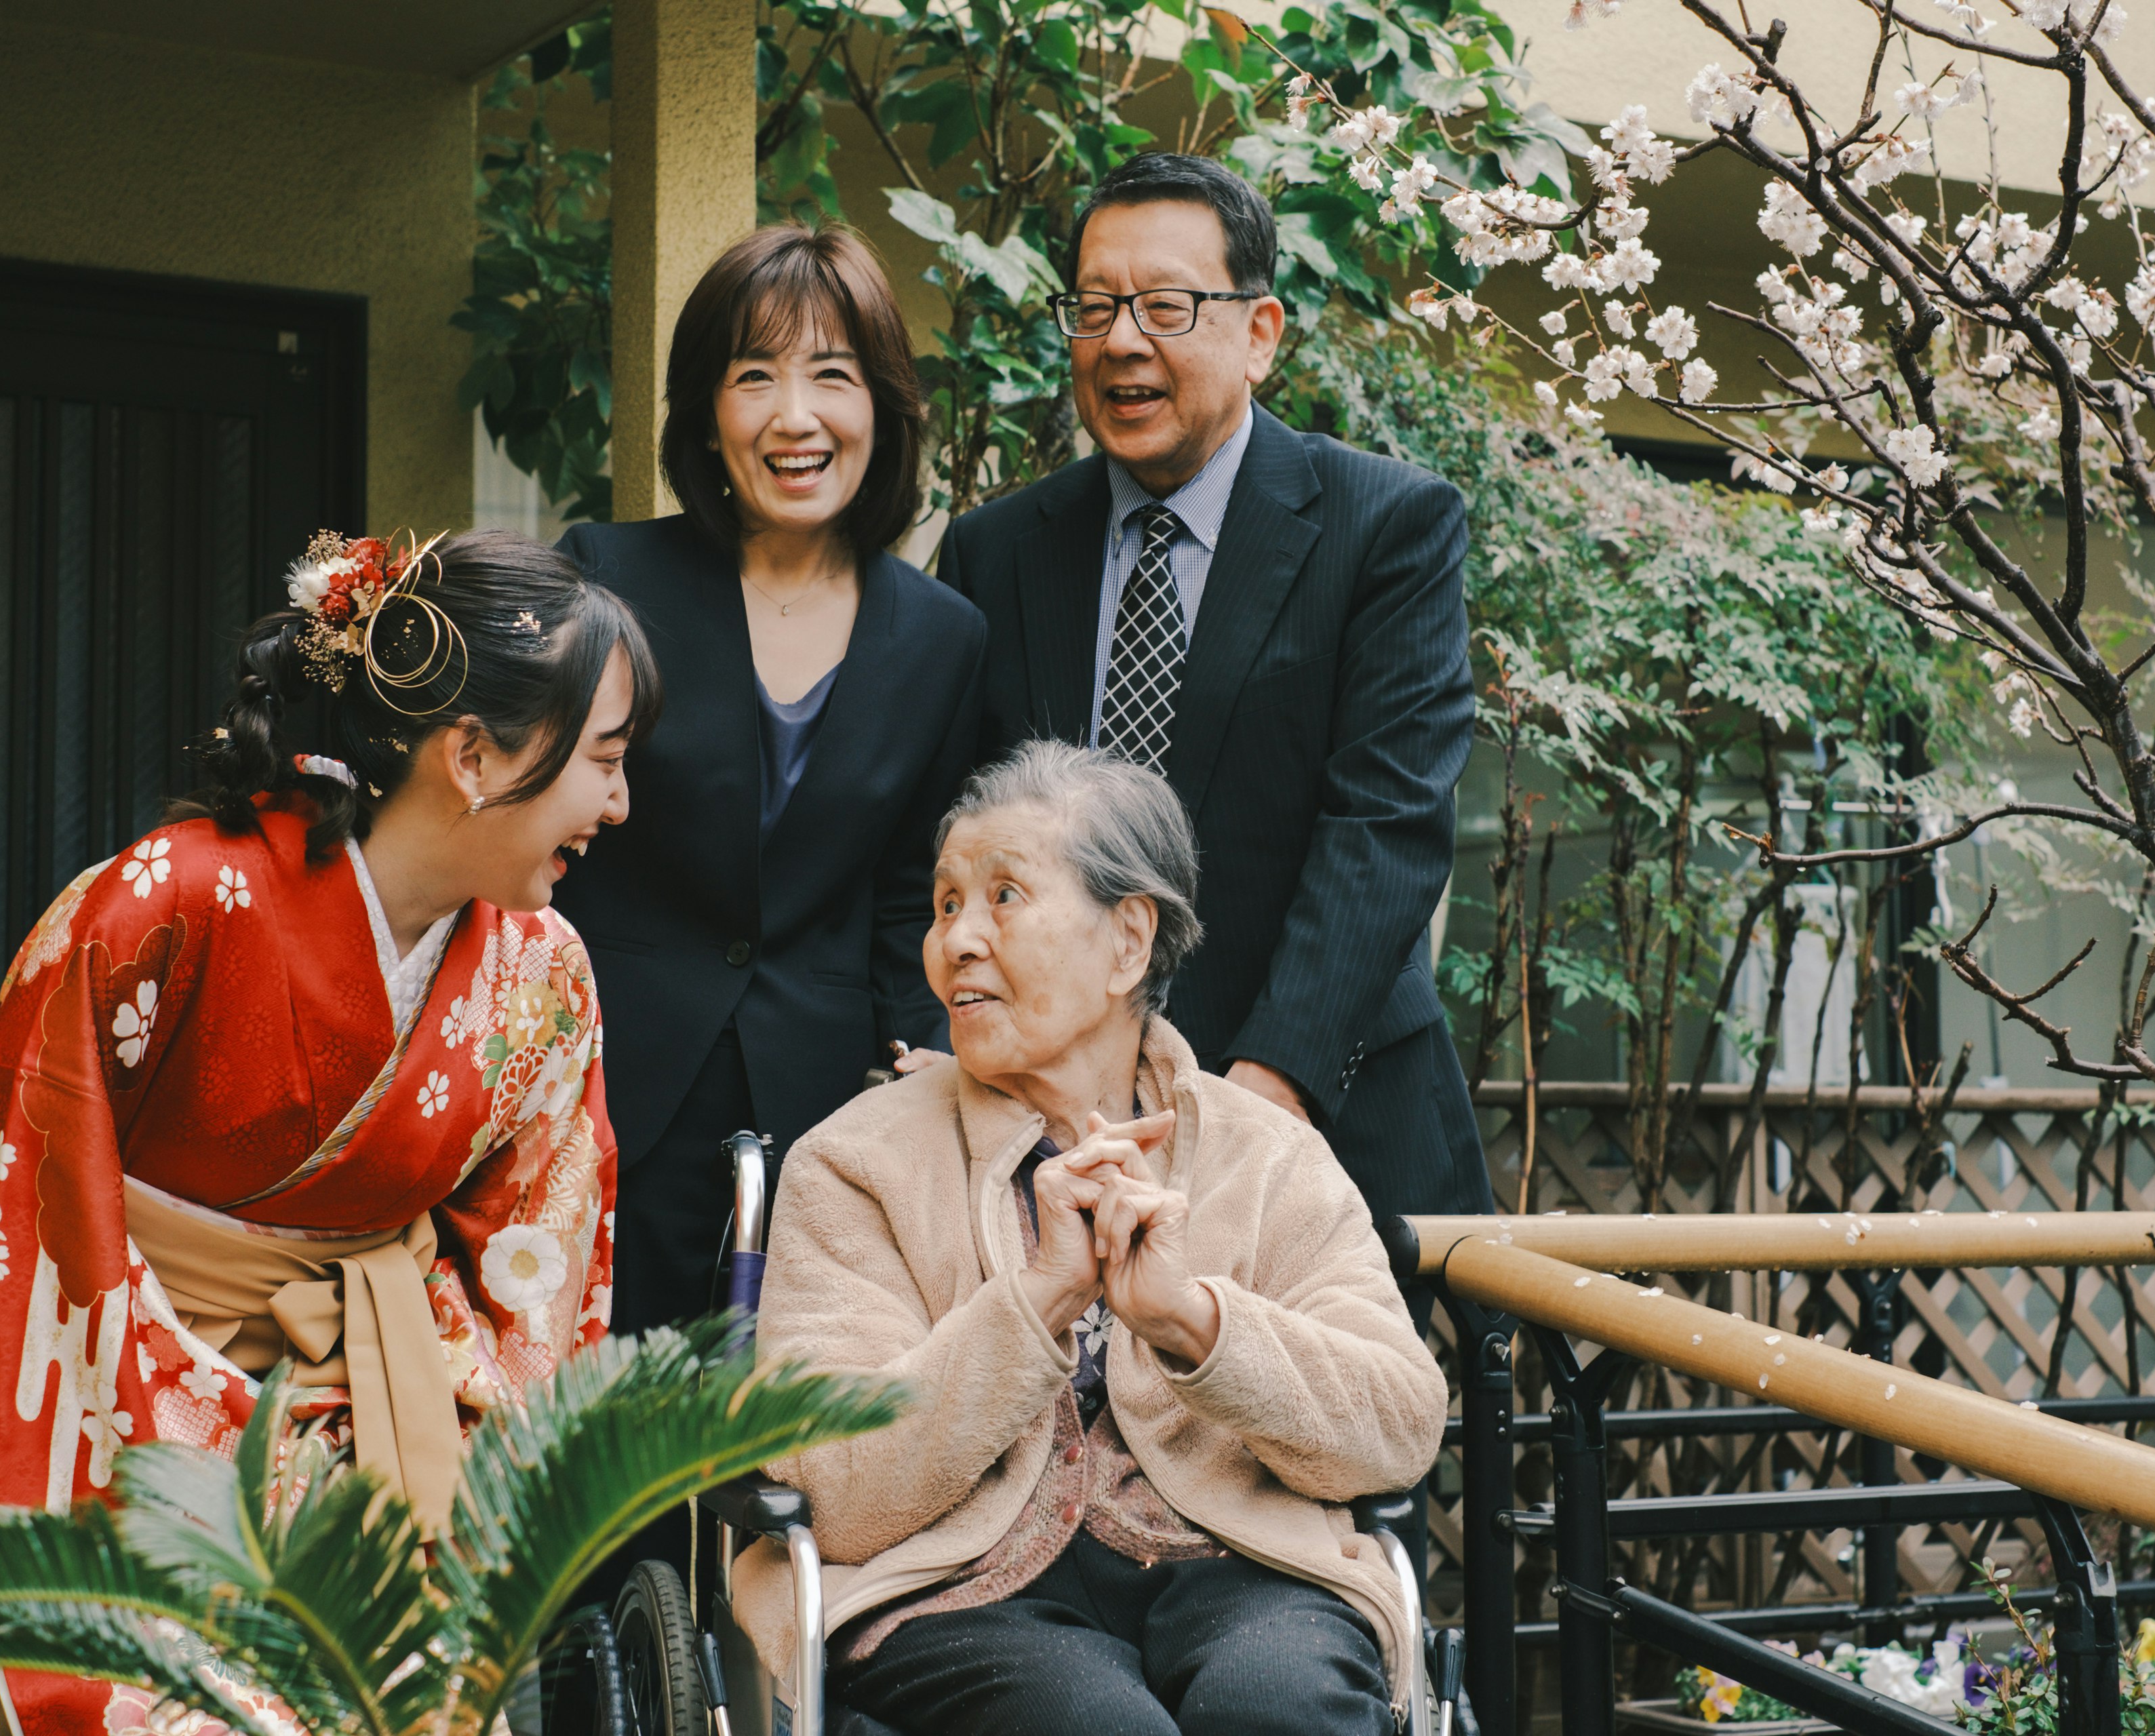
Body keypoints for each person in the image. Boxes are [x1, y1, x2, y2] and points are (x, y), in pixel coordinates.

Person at [0, 528, 654, 1736]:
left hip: (371, 1421)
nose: (622, 804)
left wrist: (449, 1419)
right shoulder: (169, 899)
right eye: (604, 760)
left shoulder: (548, 974)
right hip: (115, 1401)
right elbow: (16, 1174)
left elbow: (541, 1245)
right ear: (475, 755)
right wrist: (192, 1402)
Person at [738, 742, 1447, 1736]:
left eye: (1005, 896)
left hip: (1241, 1564)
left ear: (1126, 942)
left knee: (1282, 1708)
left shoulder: (1269, 1155)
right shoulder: (857, 1163)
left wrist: (1192, 1322)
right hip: (957, 1582)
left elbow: (1401, 1425)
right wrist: (1036, 1304)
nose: (960, 941)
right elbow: (836, 1487)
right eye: (945, 905)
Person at [933, 153, 1492, 1230]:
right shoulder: (995, 553)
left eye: (1167, 305)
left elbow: (1385, 826)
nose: (1123, 341)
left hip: (1323, 1121)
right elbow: (956, 835)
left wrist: (1260, 1096)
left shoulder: (1386, 527)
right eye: (1094, 308)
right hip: (1049, 1152)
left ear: (1261, 334)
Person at [554, 221, 985, 1340]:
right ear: (709, 411)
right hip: (611, 1087)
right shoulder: (607, 578)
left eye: (832, 376)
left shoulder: (943, 636)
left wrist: (925, 1061)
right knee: (608, 1451)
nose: (796, 418)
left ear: (882, 405)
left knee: (795, 1466)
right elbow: (541, 836)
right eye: (756, 377)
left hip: (829, 1110)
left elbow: (909, 891)